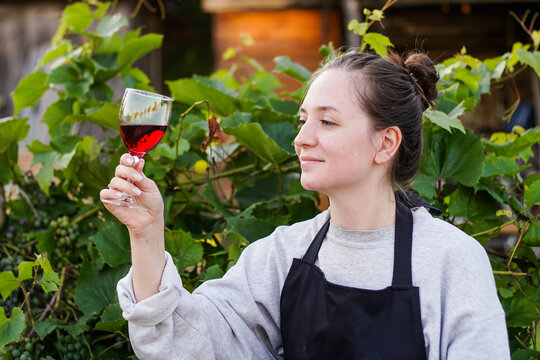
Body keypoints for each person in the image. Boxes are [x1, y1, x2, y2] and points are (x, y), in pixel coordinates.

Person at [100, 51, 510, 359]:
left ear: (385, 143)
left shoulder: (451, 261)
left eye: (326, 122)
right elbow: (185, 342)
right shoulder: (282, 256)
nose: (301, 139)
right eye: (302, 121)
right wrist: (147, 234)